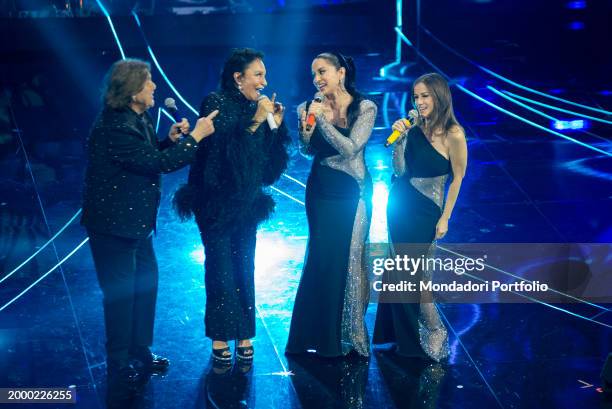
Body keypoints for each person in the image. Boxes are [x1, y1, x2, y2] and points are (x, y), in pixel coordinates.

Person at [81, 59, 218, 383]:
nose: (155, 87)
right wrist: (194, 138)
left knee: (145, 287)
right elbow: (158, 163)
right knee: (121, 294)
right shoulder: (114, 126)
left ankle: (139, 349)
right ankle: (118, 360)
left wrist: (169, 139)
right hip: (113, 226)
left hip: (136, 224)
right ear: (132, 92)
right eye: (148, 83)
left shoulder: (134, 117)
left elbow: (148, 154)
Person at [173, 48, 290, 364]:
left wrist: (275, 126)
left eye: (264, 75)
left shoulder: (257, 108)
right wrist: (254, 122)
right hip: (215, 203)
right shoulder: (215, 103)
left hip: (247, 202)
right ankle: (221, 336)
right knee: (221, 268)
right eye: (258, 75)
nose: (264, 82)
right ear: (238, 78)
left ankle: (245, 334)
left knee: (244, 266)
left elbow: (268, 169)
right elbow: (221, 159)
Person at [286, 52, 376, 358]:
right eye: (313, 75)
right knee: (321, 257)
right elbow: (305, 150)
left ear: (340, 73)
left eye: (322, 72)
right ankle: (315, 337)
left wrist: (323, 120)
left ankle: (350, 334)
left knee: (350, 259)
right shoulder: (307, 106)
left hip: (353, 191)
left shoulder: (365, 107)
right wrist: (307, 125)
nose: (317, 79)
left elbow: (351, 149)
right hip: (320, 189)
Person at [373, 72, 467, 362]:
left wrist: (446, 218)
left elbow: (458, 177)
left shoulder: (454, 134)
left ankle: (434, 332)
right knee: (399, 273)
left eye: (425, 95)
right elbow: (400, 170)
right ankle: (402, 338)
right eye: (416, 96)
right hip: (400, 206)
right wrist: (399, 139)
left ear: (439, 97)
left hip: (428, 212)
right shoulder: (411, 129)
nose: (420, 101)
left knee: (418, 278)